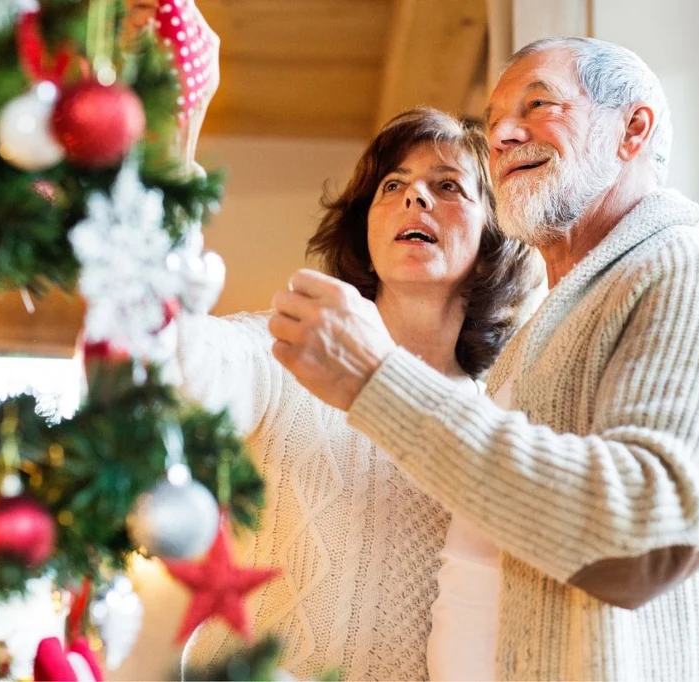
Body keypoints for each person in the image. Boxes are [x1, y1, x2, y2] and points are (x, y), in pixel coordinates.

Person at [269, 37, 699, 681]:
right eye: (496, 118)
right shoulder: (535, 336)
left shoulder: (684, 272)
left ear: (632, 129)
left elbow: (649, 526)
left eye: (540, 105)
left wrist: (378, 382)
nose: (502, 133)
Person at [177, 107, 543, 680]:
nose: (414, 198)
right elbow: (184, 378)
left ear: (495, 236)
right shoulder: (288, 350)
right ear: (365, 234)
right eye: (391, 186)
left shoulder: (498, 419)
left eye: (447, 186)